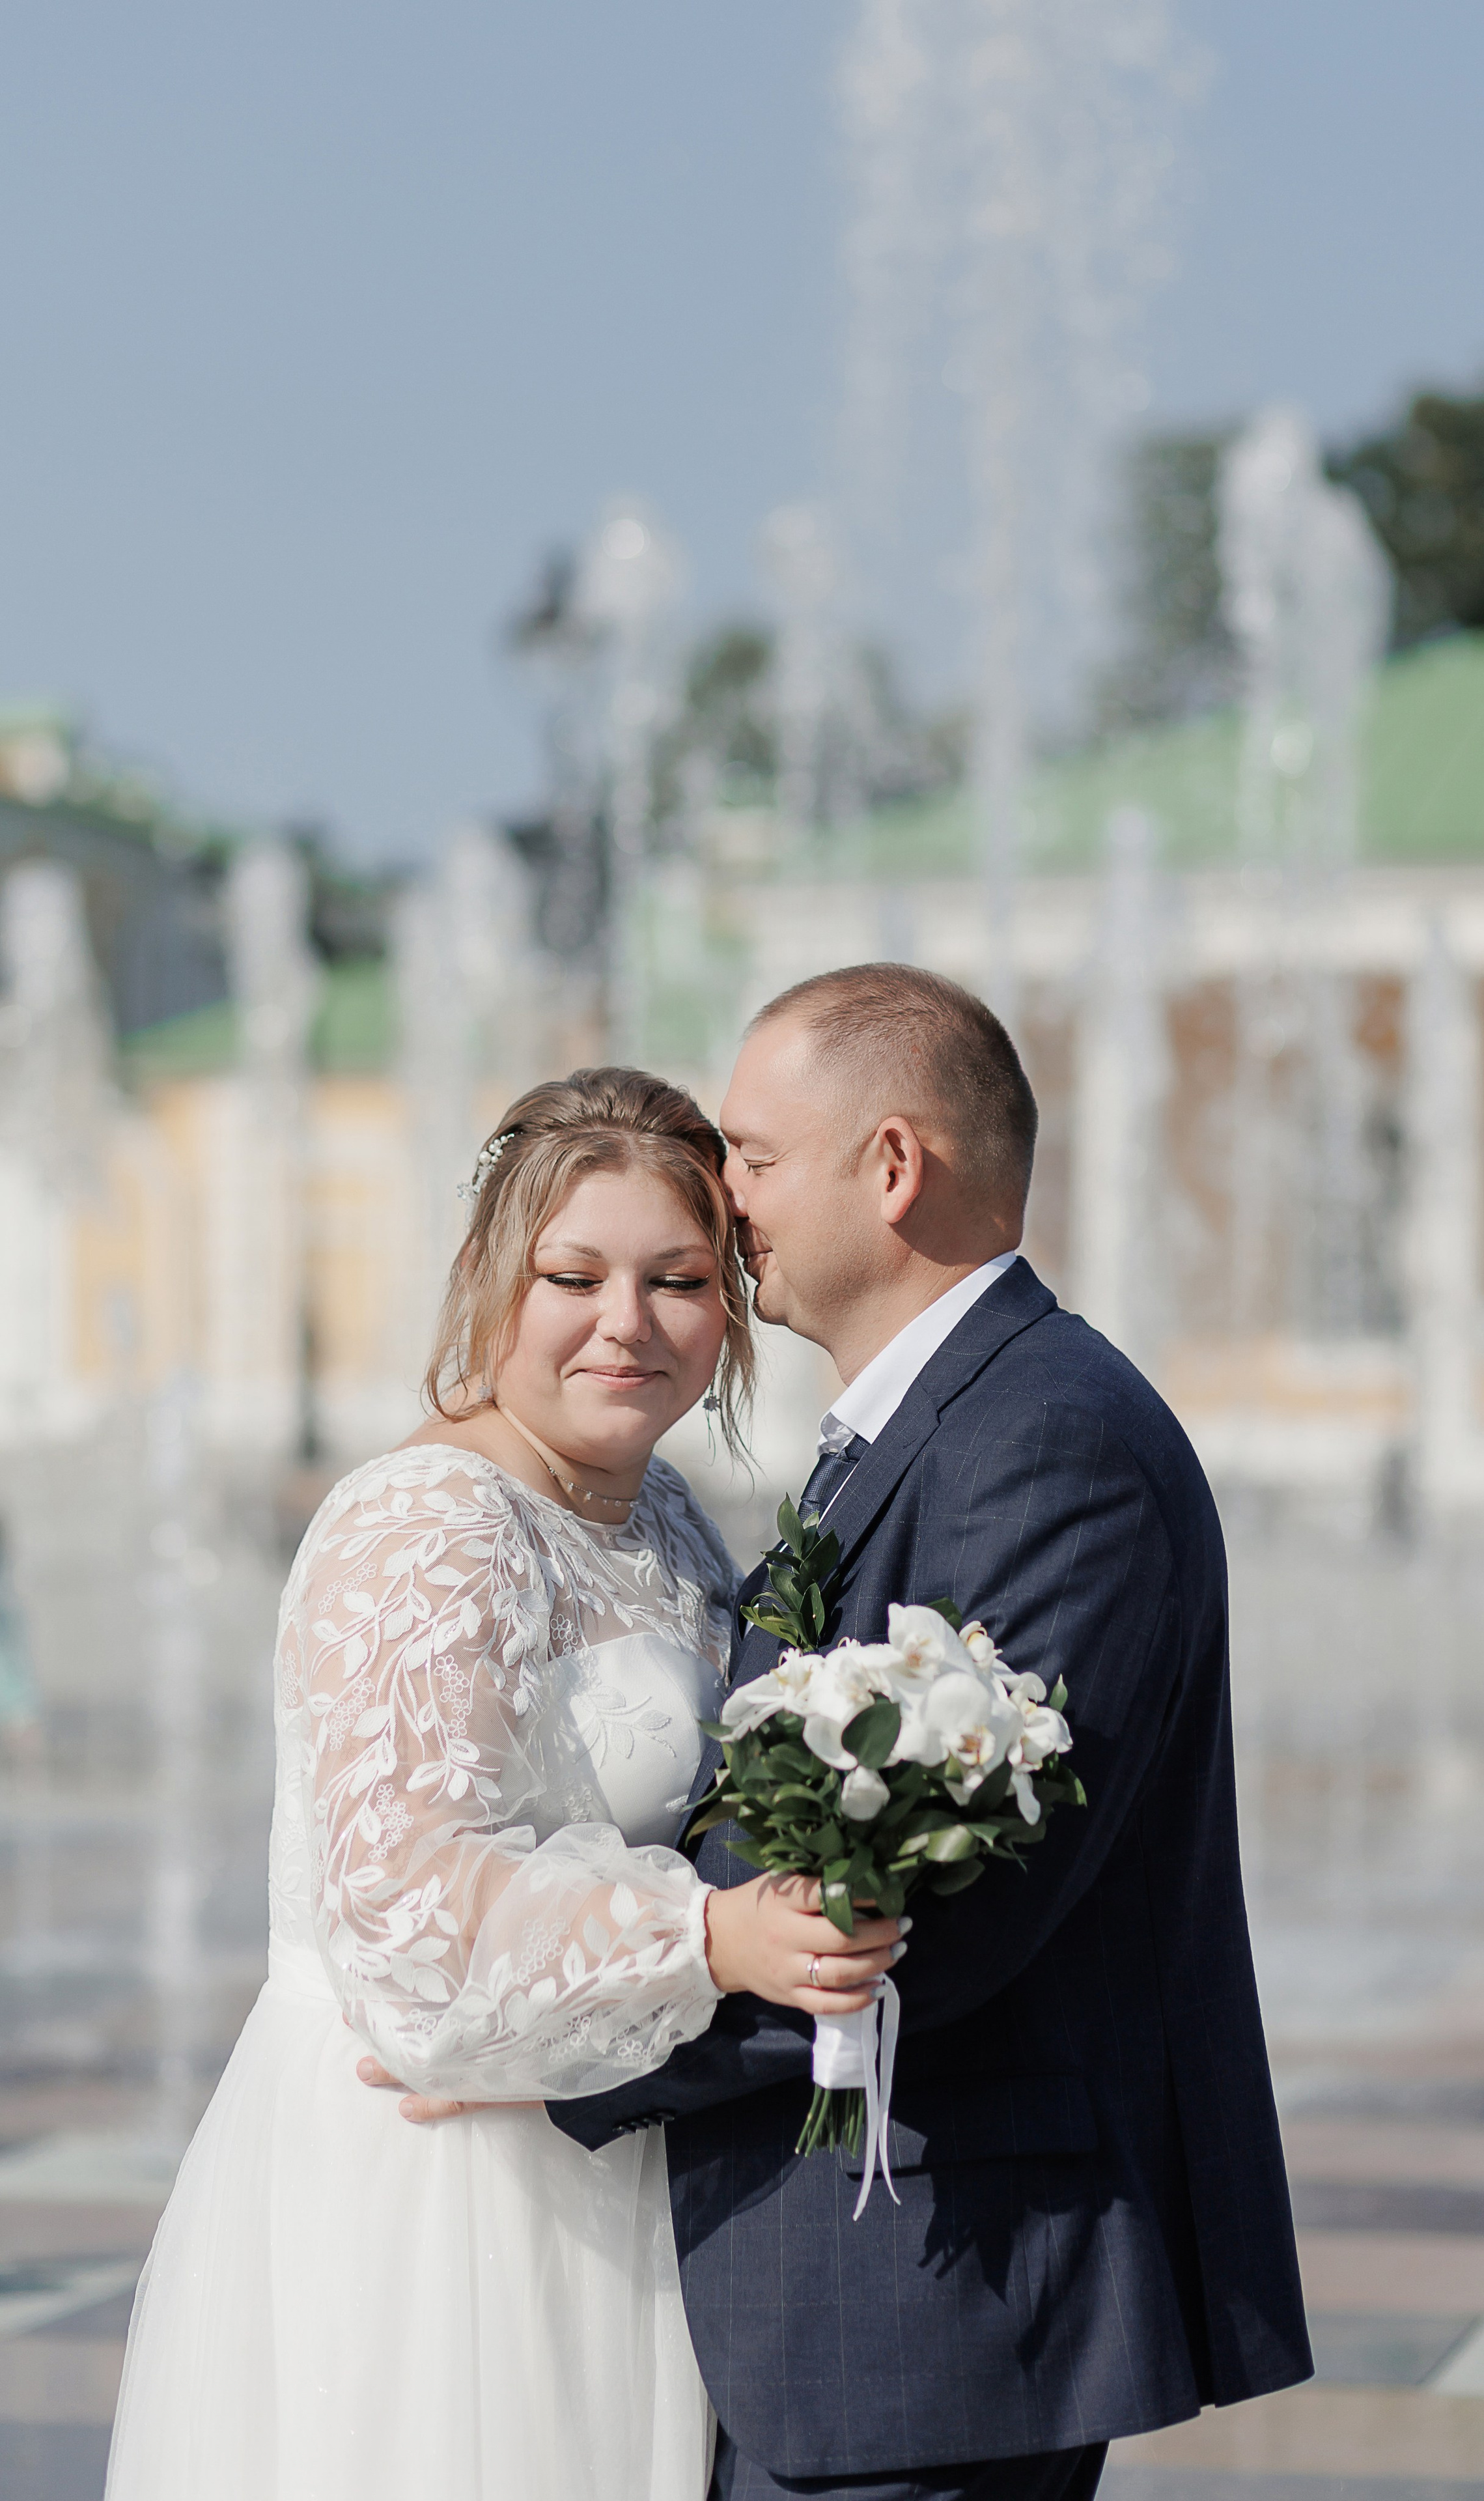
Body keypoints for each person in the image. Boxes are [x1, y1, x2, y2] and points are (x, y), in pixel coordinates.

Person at [388, 966, 1313, 2500]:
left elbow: (940, 1910)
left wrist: (564, 2049)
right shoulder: (929, 1422)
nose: (724, 1195)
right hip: (844, 2295)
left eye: (750, 1156)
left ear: (890, 1168)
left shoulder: (1047, 1446)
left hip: (927, 2304)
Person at [104, 1069, 904, 2501]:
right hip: (431, 2191)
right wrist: (709, 1941)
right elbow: (410, 1922)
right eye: (573, 1275)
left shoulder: (657, 1506)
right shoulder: (431, 1526)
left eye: (676, 1279)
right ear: (491, 1278)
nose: (626, 1322)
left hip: (595, 2136)